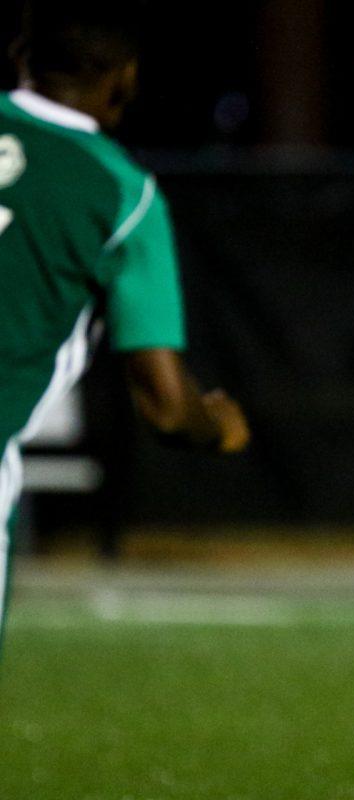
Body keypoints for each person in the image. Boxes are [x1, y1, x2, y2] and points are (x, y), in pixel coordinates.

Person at [0, 1, 250, 652]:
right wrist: (216, 424)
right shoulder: (121, 192)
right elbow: (167, 408)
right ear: (124, 80)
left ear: (21, 58)